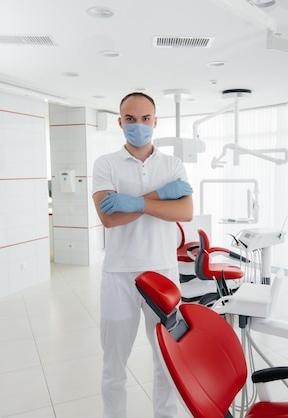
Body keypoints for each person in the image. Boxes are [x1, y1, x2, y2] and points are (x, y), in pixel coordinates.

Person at [92, 92, 193, 418]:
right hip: (119, 275)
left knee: (167, 360)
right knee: (114, 363)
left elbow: (186, 211)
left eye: (145, 118)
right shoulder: (105, 164)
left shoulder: (172, 164)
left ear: (155, 121)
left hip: (163, 274)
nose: (139, 125)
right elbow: (109, 217)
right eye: (131, 119)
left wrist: (135, 201)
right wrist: (160, 198)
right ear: (120, 123)